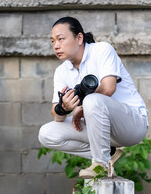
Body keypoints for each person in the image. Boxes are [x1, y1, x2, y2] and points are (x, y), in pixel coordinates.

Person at [38, 16, 149, 179]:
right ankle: (108, 153)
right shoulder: (62, 71)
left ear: (79, 38)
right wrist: (65, 108)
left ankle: (100, 164)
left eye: (61, 39)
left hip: (132, 125)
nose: (56, 46)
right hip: (101, 130)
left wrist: (81, 108)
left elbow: (109, 88)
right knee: (47, 133)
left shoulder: (101, 50)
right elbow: (56, 115)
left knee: (91, 100)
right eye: (53, 41)